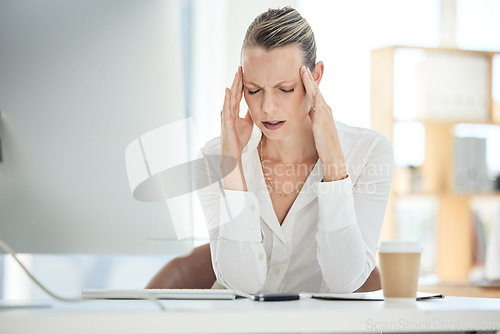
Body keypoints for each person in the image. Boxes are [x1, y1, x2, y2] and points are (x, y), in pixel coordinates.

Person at [196, 7, 393, 294]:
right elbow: (242, 285)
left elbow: (346, 281)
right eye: (253, 90)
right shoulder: (215, 157)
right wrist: (232, 167)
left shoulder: (370, 152)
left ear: (315, 77)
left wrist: (334, 164)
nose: (267, 107)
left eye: (285, 89)